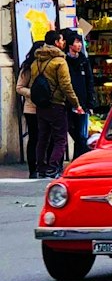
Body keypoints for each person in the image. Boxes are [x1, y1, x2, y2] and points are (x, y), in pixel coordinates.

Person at [31, 31, 83, 179]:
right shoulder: (60, 61)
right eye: (61, 40)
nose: (64, 43)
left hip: (41, 104)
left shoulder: (36, 61)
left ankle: (41, 167)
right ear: (56, 43)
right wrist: (76, 103)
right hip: (56, 104)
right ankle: (53, 168)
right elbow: (66, 85)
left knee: (43, 137)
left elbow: (33, 83)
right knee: (61, 139)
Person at [15, 40, 44, 178]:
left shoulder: (47, 65)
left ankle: (42, 166)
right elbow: (19, 87)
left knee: (44, 138)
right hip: (31, 108)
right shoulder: (27, 68)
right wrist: (33, 93)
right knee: (34, 137)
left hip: (45, 107)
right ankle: (33, 168)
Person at [65, 30, 96, 158]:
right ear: (70, 45)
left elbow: (89, 81)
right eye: (76, 42)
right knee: (72, 130)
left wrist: (90, 102)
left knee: (82, 135)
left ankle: (78, 159)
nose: (79, 45)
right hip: (68, 103)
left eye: (80, 42)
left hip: (82, 103)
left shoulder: (84, 61)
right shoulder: (64, 61)